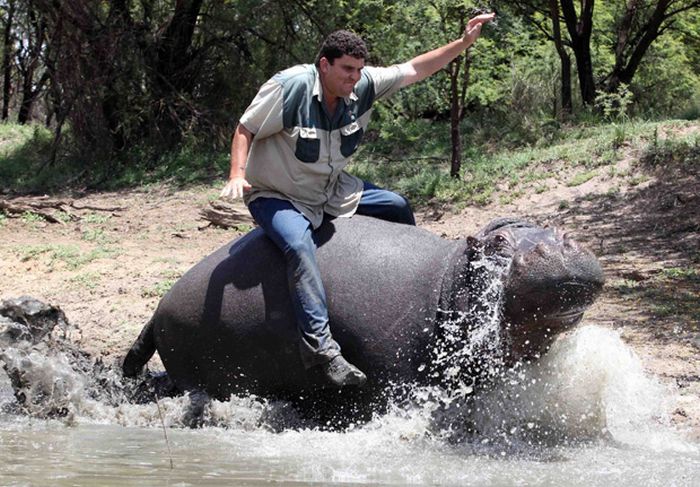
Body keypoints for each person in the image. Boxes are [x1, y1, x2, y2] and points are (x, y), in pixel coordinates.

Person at [220, 13, 496, 388]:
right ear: (324, 65)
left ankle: (409, 293)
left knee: (396, 205)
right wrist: (238, 174)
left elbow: (416, 69)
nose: (354, 77)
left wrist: (463, 43)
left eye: (358, 70)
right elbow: (245, 128)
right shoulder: (290, 88)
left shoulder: (362, 86)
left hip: (332, 190)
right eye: (346, 69)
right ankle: (321, 350)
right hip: (278, 194)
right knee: (299, 245)